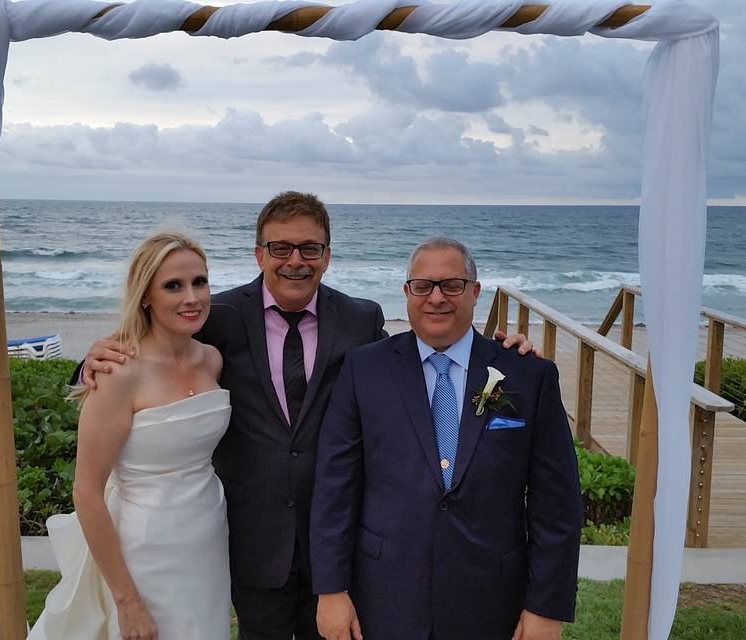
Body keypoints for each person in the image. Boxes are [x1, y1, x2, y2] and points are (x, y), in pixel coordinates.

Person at [79, 194, 537, 640]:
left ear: (327, 256)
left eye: (309, 248)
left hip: (337, 539)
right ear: (260, 255)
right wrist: (90, 361)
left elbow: (412, 360)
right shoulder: (217, 315)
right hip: (251, 537)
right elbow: (152, 345)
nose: (294, 260)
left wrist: (497, 358)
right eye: (280, 248)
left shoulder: (360, 319)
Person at [310, 237, 582, 640]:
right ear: (407, 293)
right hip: (384, 597)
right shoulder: (364, 369)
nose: (436, 298)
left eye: (451, 285)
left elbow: (556, 504)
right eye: (423, 286)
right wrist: (331, 590)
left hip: (492, 600)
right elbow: (336, 486)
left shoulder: (528, 375)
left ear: (475, 291)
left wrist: (546, 606)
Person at [30, 231, 231, 640]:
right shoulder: (118, 372)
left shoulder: (211, 360)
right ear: (145, 295)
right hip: (144, 548)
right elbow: (86, 491)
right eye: (172, 286)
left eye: (200, 282)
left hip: (208, 535)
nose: (191, 297)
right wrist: (127, 601)